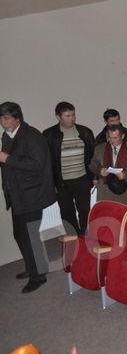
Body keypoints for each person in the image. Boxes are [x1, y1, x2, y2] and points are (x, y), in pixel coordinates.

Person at [1, 102, 56, 293]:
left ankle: (38, 276)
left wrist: (7, 158)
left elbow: (37, 164)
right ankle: (33, 267)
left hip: (33, 194)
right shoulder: (7, 135)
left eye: (6, 118)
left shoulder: (32, 136)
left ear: (18, 118)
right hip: (17, 195)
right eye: (0, 119)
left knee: (30, 236)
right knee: (20, 234)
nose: (2, 122)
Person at [43, 102, 95, 235]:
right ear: (58, 117)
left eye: (73, 115)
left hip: (82, 179)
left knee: (85, 212)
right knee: (67, 214)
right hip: (62, 182)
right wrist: (51, 184)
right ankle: (74, 238)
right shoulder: (49, 135)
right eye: (67, 116)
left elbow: (92, 157)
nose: (72, 118)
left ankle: (86, 238)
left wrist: (94, 177)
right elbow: (47, 162)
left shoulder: (85, 132)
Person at [89, 125, 127, 207]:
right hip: (105, 192)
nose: (112, 141)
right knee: (108, 213)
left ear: (123, 136)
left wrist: (125, 174)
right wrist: (100, 170)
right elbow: (92, 164)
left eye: (115, 138)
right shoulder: (99, 148)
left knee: (126, 214)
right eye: (109, 137)